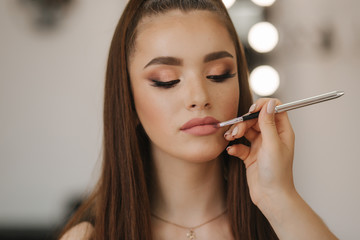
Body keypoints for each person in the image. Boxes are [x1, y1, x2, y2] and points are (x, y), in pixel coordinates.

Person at [59, 0, 338, 239]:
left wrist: (278, 196)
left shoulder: (283, 223)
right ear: (127, 99)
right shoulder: (90, 236)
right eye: (166, 80)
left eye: (218, 74)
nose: (199, 96)